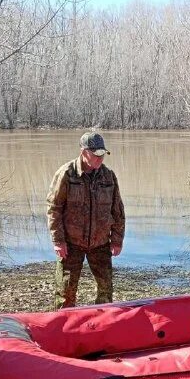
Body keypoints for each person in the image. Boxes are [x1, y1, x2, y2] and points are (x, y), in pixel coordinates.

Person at [47, 132, 125, 308]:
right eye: (96, 154)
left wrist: (117, 240)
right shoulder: (67, 174)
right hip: (71, 244)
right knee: (65, 293)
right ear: (84, 152)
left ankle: (103, 327)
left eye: (102, 154)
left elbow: (118, 211)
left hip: (101, 244)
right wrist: (58, 240)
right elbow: (54, 208)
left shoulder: (109, 176)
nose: (100, 158)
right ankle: (63, 329)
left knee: (106, 291)